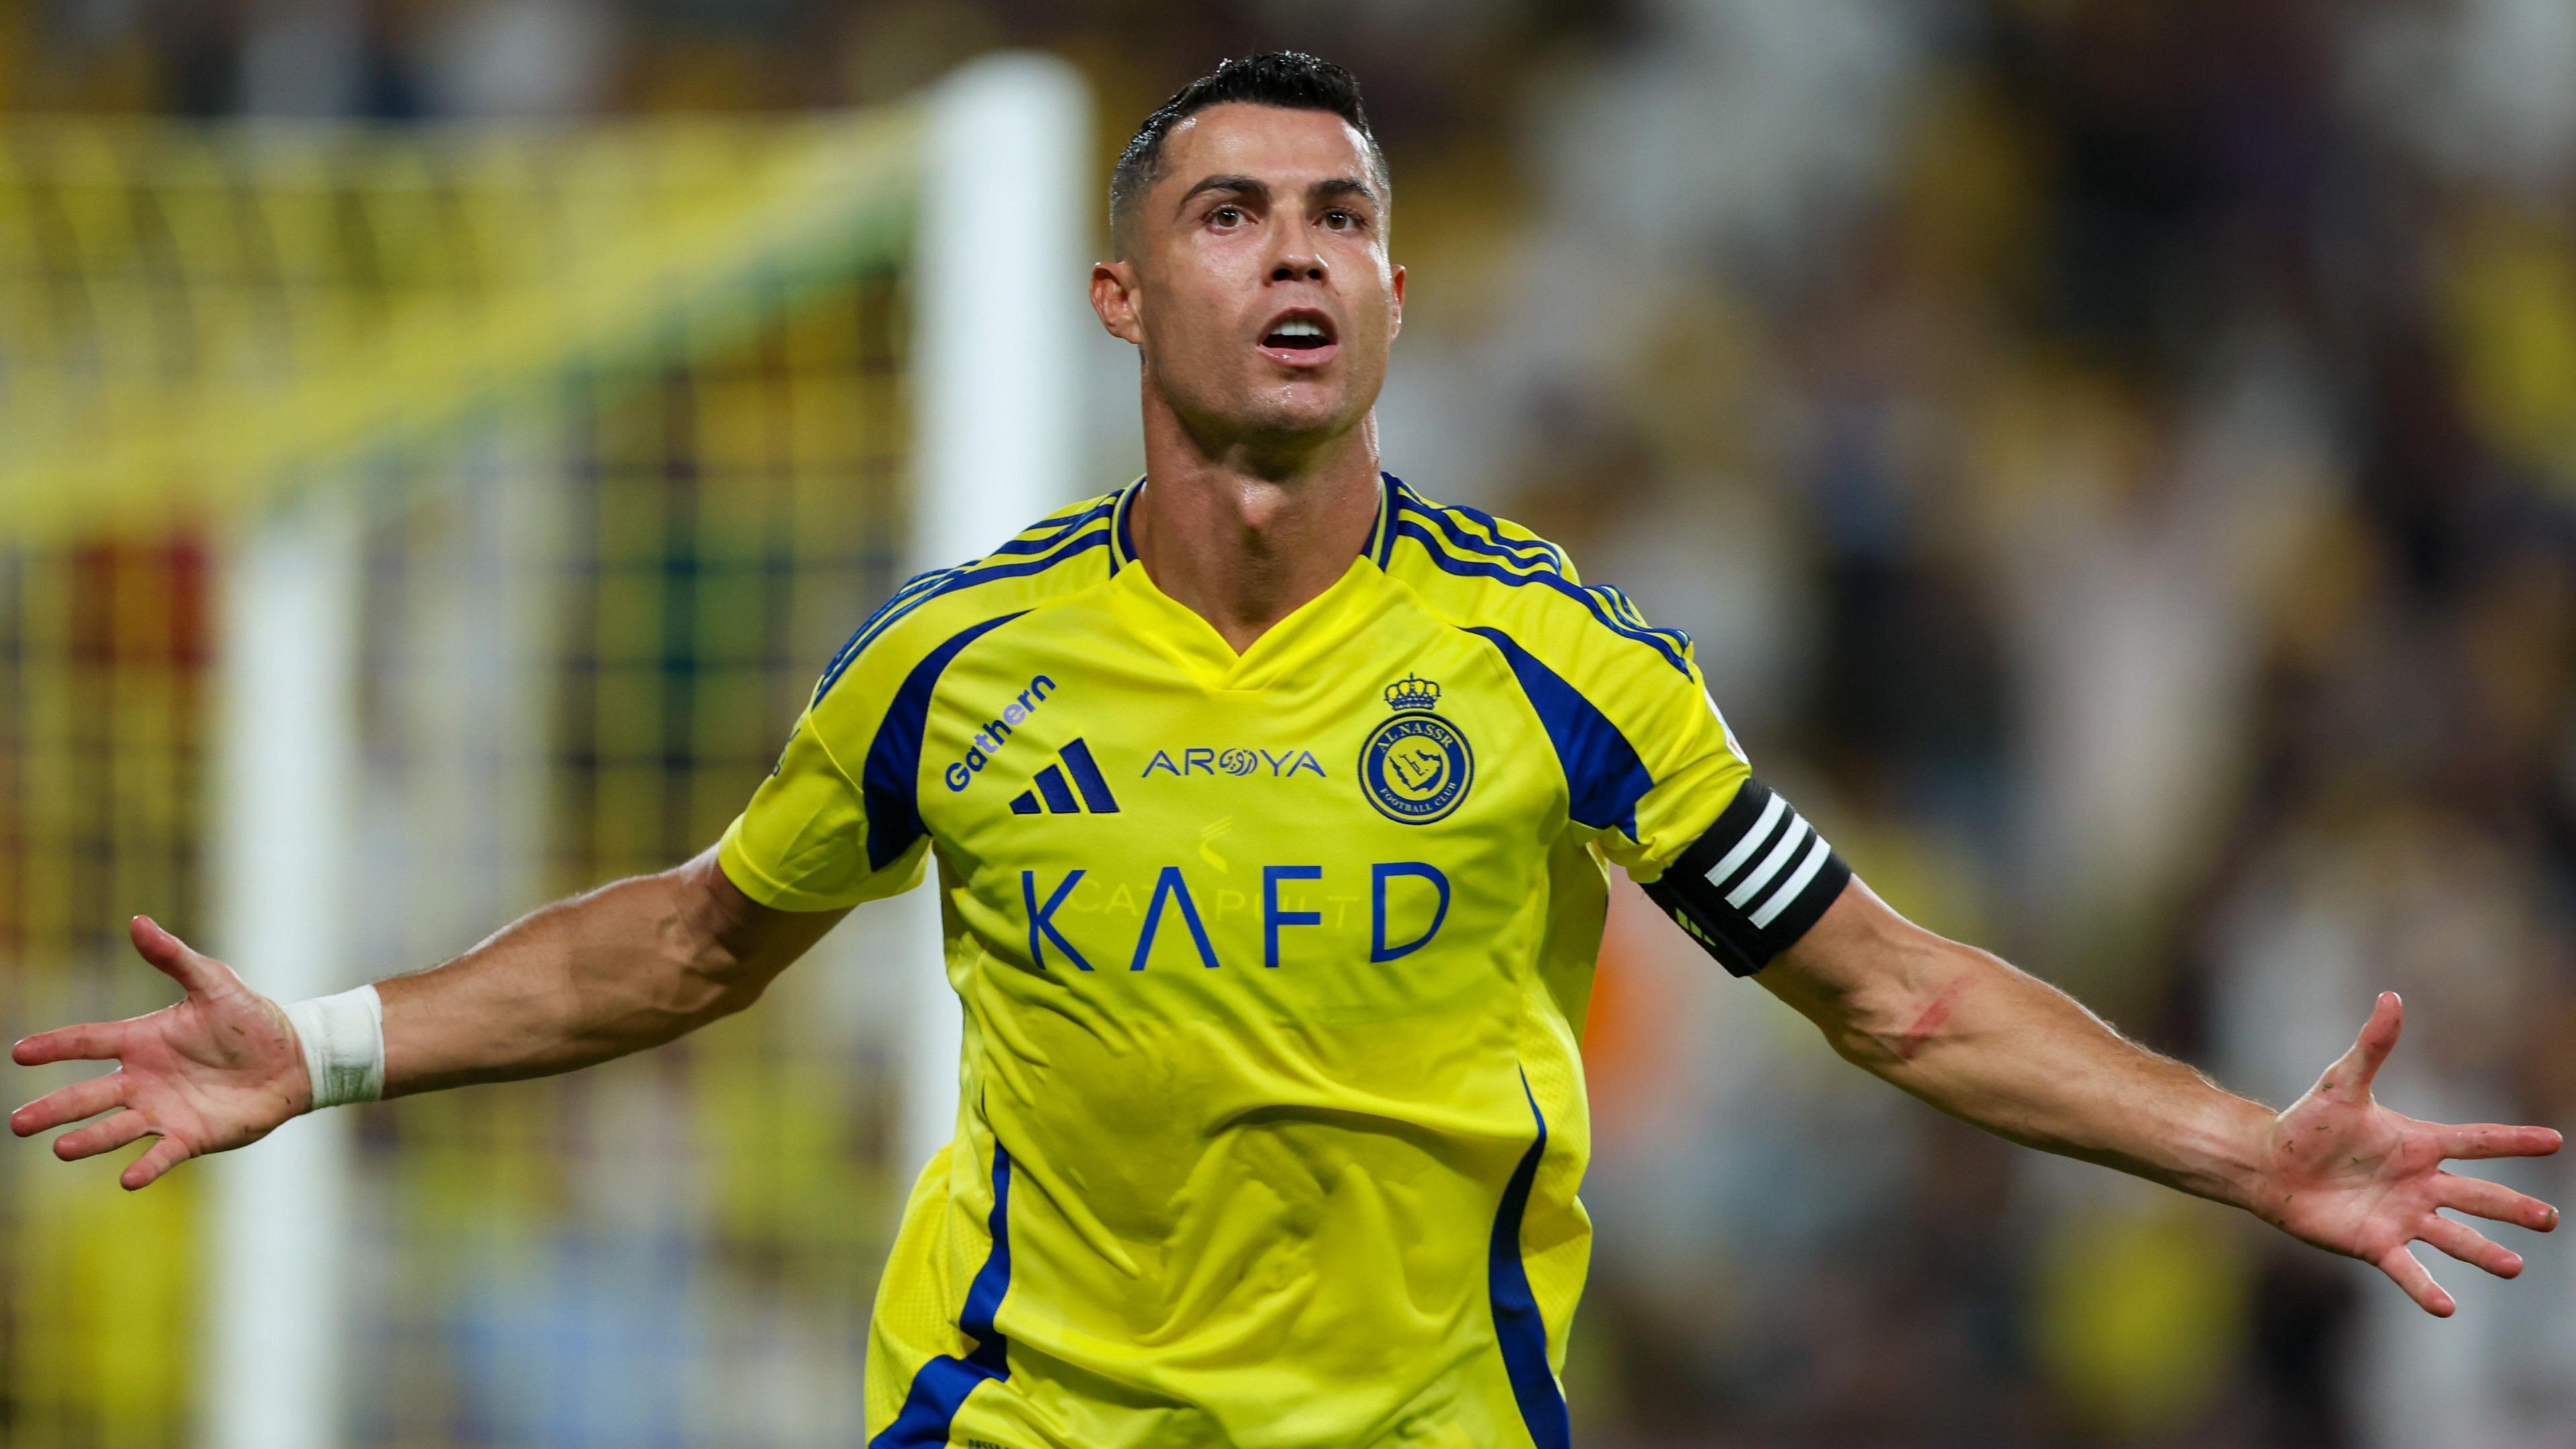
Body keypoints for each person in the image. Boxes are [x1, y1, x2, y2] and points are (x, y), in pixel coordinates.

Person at [11, 52, 2561, 1449]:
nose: (1300, 253)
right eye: (1233, 214)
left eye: (1339, 213)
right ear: (1126, 295)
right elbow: (691, 947)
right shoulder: (958, 667)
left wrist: (2247, 1146)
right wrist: (327, 1046)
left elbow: (1886, 988)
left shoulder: (1570, 665)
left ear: (1400, 289)